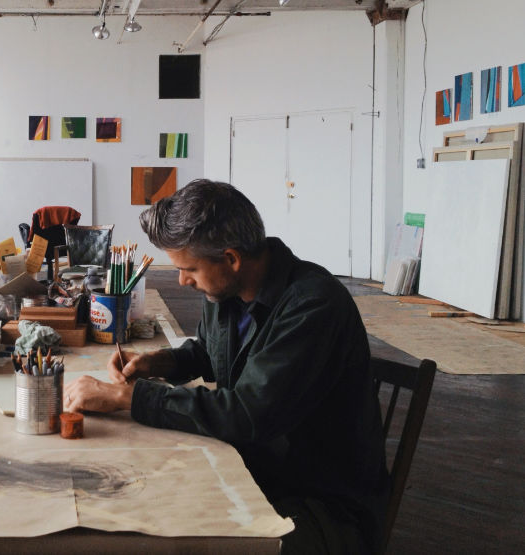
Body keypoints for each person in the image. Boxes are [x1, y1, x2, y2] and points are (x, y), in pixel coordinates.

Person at [64, 179, 389, 554]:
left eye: (189, 269)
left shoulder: (313, 305)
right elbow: (209, 352)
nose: (182, 280)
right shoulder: (226, 289)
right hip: (256, 465)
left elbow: (248, 414)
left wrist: (128, 397)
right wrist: (157, 361)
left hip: (318, 503)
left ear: (231, 258)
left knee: (161, 529)